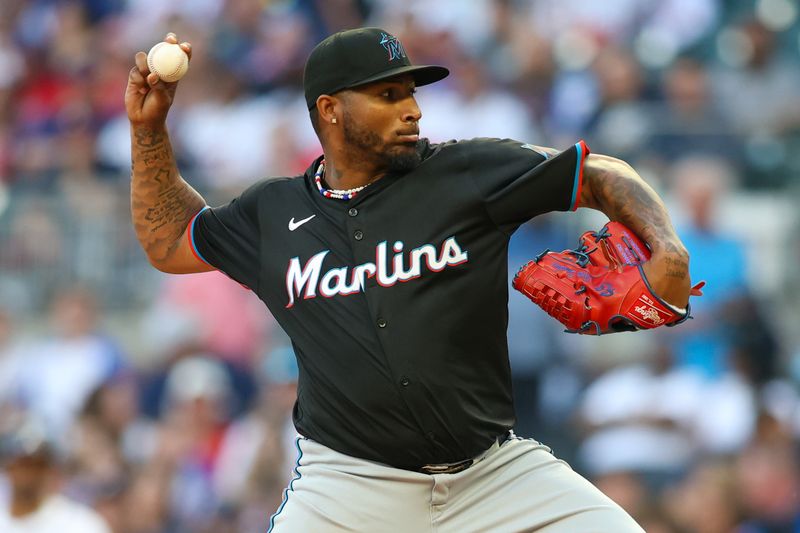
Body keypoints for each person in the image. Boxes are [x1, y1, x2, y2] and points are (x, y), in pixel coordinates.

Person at [126, 27, 694, 532]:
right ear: (330, 109)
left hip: (494, 475)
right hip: (347, 489)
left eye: (411, 93)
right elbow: (170, 241)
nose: (413, 110)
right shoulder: (271, 214)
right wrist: (148, 132)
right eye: (388, 95)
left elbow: (597, 173)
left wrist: (665, 244)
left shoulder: (463, 171)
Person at [0, 415, 111, 533]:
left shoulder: (80, 524)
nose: (28, 476)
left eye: (37, 466)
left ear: (52, 471)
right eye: (22, 465)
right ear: (8, 468)